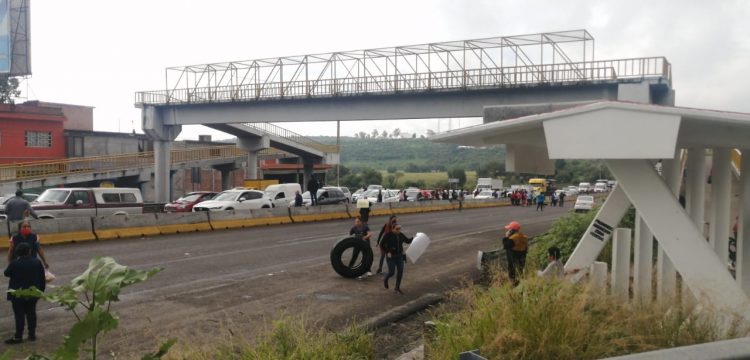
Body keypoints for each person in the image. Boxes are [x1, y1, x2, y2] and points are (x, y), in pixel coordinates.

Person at [4, 242, 46, 344]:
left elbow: (6, 273)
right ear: (29, 251)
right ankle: (32, 334)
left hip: (18, 293)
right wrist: (40, 291)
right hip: (32, 293)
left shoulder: (15, 263)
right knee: (31, 313)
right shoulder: (37, 262)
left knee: (19, 315)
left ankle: (18, 336)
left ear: (18, 253)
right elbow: (42, 278)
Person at [382, 224, 413, 295]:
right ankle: (386, 279)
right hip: (391, 257)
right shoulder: (388, 235)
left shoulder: (401, 234)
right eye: (397, 229)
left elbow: (408, 241)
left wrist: (414, 238)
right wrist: (387, 251)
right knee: (392, 272)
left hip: (399, 256)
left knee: (400, 272)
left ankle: (397, 288)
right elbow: (382, 244)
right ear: (393, 229)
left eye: (400, 229)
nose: (399, 230)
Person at [501, 221, 528, 285]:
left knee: (513, 273)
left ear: (512, 230)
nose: (508, 230)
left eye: (509, 229)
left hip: (513, 259)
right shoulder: (523, 236)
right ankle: (519, 283)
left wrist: (506, 236)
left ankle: (514, 284)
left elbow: (505, 245)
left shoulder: (513, 238)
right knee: (520, 271)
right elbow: (526, 248)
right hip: (522, 258)